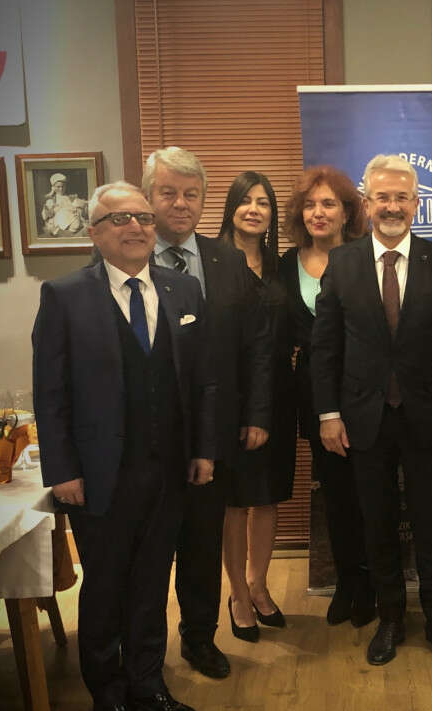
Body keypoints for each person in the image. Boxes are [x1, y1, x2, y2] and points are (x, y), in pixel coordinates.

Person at [32, 181, 215, 711]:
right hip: (98, 474)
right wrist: (62, 471)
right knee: (106, 584)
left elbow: (203, 382)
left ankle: (147, 682)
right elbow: (50, 393)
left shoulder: (183, 290)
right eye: (119, 219)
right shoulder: (65, 296)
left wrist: (204, 449)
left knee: (153, 581)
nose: (135, 227)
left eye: (143, 217)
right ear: (94, 232)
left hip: (169, 469)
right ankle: (107, 695)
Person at [311, 154, 432, 666]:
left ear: (417, 203)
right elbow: (325, 347)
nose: (392, 206)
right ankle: (391, 618)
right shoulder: (342, 263)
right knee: (377, 523)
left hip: (427, 418)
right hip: (364, 418)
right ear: (366, 203)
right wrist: (328, 414)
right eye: (382, 197)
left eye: (402, 197)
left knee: (430, 522)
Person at [144, 147, 273, 678]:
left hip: (213, 433)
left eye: (191, 194)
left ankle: (199, 639)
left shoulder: (226, 260)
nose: (181, 203)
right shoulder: (129, 256)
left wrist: (257, 413)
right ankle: (144, 655)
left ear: (203, 200)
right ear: (148, 197)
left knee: (201, 545)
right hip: (148, 438)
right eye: (168, 193)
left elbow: (257, 346)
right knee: (150, 554)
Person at [280, 165, 374, 628]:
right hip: (316, 397)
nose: (318, 212)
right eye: (310, 204)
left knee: (371, 492)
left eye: (328, 204)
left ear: (347, 211)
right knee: (335, 493)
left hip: (365, 391)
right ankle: (347, 583)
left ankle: (373, 584)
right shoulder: (285, 263)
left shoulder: (366, 257)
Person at [217, 172, 295, 641]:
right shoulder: (212, 261)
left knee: (267, 497)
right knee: (235, 501)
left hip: (279, 394)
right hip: (231, 396)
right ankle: (238, 596)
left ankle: (259, 585)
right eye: (245, 201)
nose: (254, 209)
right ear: (231, 208)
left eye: (263, 202)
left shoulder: (280, 265)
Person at [41, 172, 89, 237]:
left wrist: (78, 207)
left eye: (63, 186)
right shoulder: (51, 200)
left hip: (73, 220)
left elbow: (80, 206)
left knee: (77, 221)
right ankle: (65, 232)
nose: (61, 189)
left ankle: (72, 230)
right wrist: (50, 210)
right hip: (60, 221)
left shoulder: (70, 197)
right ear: (53, 187)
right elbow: (46, 216)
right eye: (58, 187)